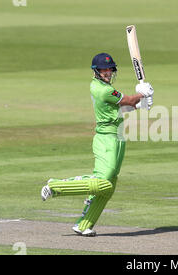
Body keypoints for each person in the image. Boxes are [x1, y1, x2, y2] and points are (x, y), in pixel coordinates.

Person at [40, 53, 154, 236]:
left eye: (110, 69)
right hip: (106, 139)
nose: (107, 72)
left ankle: (84, 224)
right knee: (102, 181)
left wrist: (140, 104)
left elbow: (120, 108)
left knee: (109, 186)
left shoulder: (103, 88)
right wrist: (142, 93)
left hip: (117, 138)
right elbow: (129, 100)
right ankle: (56, 186)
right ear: (96, 71)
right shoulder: (103, 90)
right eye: (103, 69)